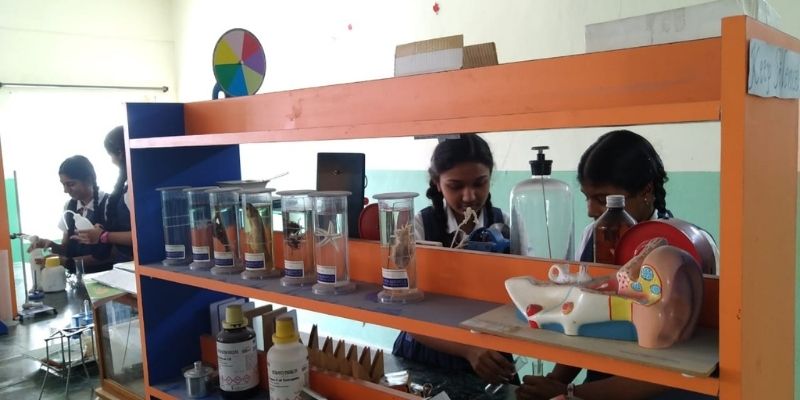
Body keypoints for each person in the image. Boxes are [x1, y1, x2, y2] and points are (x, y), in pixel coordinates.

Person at [516, 129, 717, 400]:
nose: (590, 210)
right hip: (597, 384)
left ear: (646, 191)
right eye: (587, 197)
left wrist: (572, 393)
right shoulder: (594, 236)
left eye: (602, 199)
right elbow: (580, 319)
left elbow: (679, 364)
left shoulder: (681, 253)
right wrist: (553, 384)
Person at [395, 135, 516, 385]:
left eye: (480, 183)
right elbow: (406, 313)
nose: (470, 196)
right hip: (427, 351)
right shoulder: (418, 226)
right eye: (455, 186)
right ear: (437, 184)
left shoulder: (506, 224)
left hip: (491, 354)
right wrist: (469, 350)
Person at [28, 155, 113, 273]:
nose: (65, 190)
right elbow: (67, 248)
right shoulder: (69, 207)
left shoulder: (109, 204)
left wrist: (68, 262)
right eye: (63, 184)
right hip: (78, 277)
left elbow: (112, 254)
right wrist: (52, 245)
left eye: (71, 184)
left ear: (89, 179)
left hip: (105, 276)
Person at [74, 126, 133, 263]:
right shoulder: (128, 188)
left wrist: (103, 236)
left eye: (110, 155)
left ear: (120, 153)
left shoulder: (132, 192)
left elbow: (143, 236)